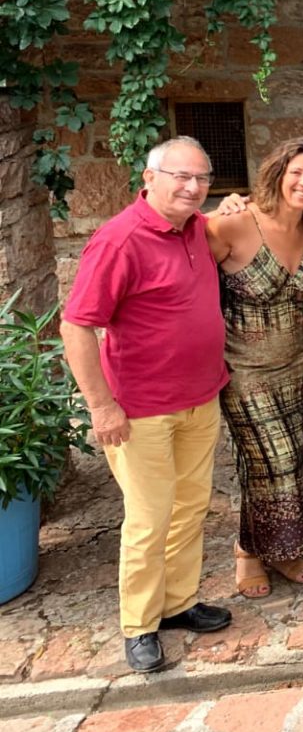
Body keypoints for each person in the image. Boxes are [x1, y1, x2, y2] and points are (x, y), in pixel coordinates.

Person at [60, 137, 232, 674]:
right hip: (140, 410)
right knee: (149, 519)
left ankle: (177, 603)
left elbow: (225, 221)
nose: (192, 187)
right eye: (181, 176)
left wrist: (234, 205)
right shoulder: (119, 240)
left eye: (202, 178)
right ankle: (139, 625)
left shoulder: (196, 228)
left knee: (190, 508)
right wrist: (101, 406)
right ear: (149, 178)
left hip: (200, 398)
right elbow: (76, 326)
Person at [207, 138, 303, 598]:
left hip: (299, 362)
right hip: (245, 369)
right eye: (296, 172)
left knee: (290, 460)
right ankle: (248, 550)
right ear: (277, 174)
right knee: (270, 459)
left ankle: (281, 547)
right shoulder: (233, 223)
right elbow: (180, 254)